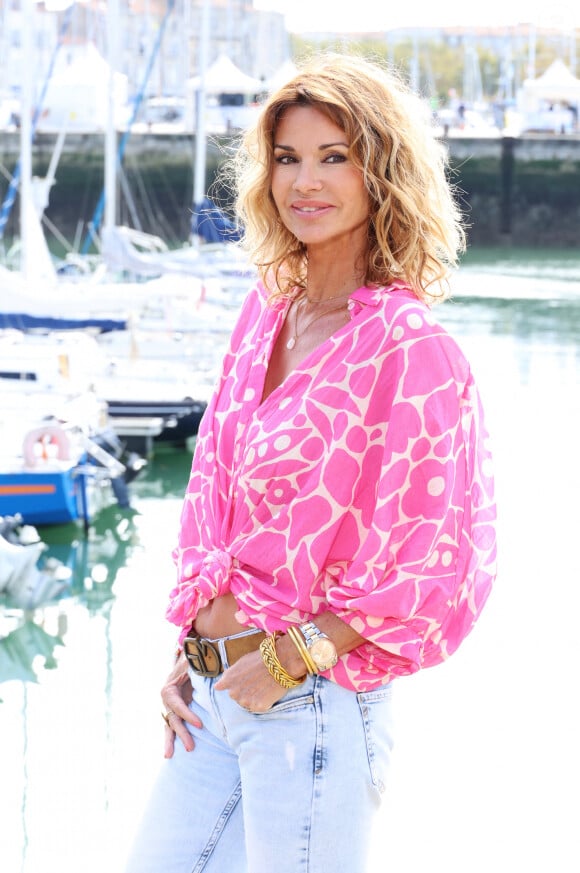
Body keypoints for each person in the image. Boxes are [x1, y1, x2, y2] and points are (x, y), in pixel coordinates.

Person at [125, 53, 497, 873]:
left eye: (335, 156)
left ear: (382, 172)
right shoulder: (266, 313)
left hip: (308, 702)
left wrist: (290, 658)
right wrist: (193, 644)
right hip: (212, 691)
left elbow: (434, 560)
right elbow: (221, 505)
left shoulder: (411, 348)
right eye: (288, 158)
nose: (306, 181)